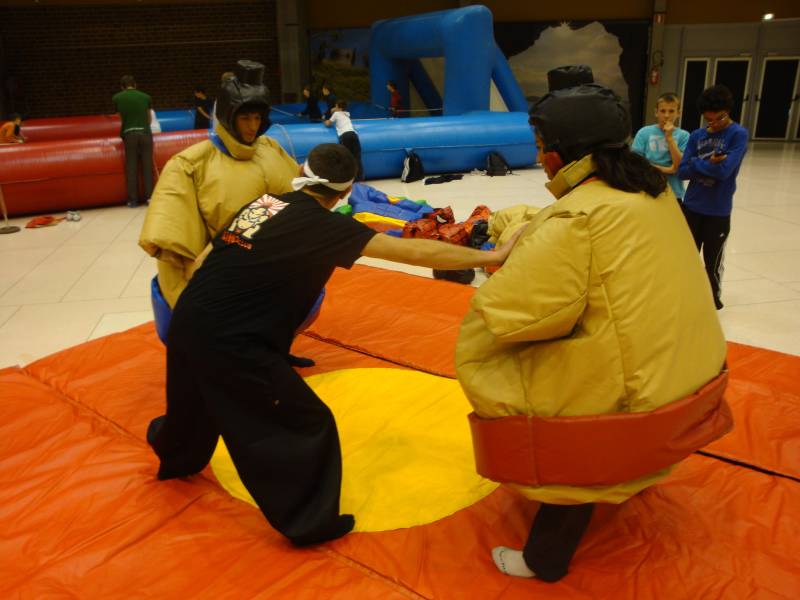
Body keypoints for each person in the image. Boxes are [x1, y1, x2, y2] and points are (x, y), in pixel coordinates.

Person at [147, 142, 523, 547]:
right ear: (345, 192)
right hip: (232, 341)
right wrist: (494, 254)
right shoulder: (326, 228)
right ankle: (309, 522)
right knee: (306, 422)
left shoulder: (266, 203)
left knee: (193, 404)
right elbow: (412, 250)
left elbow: (209, 256)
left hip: (189, 317)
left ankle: (175, 452)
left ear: (303, 173)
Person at [456, 80, 730, 583]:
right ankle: (636, 472)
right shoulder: (646, 191)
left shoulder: (575, 218)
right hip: (698, 377)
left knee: (510, 367)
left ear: (558, 155)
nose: (539, 160)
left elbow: (508, 314)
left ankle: (544, 558)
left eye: (540, 148)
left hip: (640, 406)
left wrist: (497, 266)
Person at [139, 60, 298, 311]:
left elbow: (300, 203)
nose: (253, 126)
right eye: (245, 118)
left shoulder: (271, 150)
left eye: (257, 117)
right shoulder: (190, 164)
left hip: (271, 273)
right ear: (228, 115)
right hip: (218, 279)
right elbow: (174, 243)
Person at [678, 84, 748, 310]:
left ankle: (711, 301)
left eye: (719, 119)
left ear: (728, 111)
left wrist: (697, 165)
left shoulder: (738, 134)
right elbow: (682, 171)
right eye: (709, 120)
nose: (714, 124)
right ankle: (686, 297)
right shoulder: (697, 135)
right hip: (692, 206)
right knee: (686, 258)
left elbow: (725, 171)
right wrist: (708, 163)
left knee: (712, 261)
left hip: (718, 209)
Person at [631, 92, 690, 202]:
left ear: (679, 113)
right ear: (656, 112)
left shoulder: (684, 136)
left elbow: (680, 167)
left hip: (673, 193)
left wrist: (670, 138)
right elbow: (635, 164)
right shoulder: (644, 133)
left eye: (671, 111)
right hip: (646, 191)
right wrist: (669, 169)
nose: (667, 115)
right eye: (663, 111)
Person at [112, 75, 153, 207]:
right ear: (135, 84)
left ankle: (133, 200)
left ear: (122, 87)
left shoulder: (117, 98)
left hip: (129, 134)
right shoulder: (146, 97)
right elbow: (149, 117)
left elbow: (120, 117)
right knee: (147, 166)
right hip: (145, 134)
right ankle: (150, 198)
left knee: (131, 167)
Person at [324, 100, 364, 180]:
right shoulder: (347, 114)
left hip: (345, 135)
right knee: (357, 157)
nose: (334, 108)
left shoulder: (336, 113)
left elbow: (328, 123)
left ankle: (346, 178)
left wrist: (325, 121)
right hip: (354, 134)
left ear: (339, 107)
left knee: (345, 157)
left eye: (335, 106)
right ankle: (359, 178)